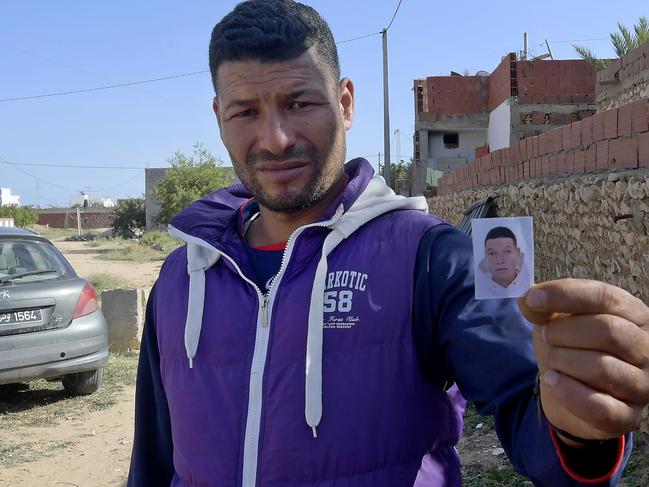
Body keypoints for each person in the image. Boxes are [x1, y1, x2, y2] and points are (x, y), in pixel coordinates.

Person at [127, 1, 649, 486]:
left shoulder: (429, 257)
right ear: (219, 116)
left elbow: (531, 418)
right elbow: (152, 461)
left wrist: (578, 422)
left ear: (345, 102)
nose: (276, 138)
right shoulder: (182, 277)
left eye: (299, 102)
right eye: (246, 112)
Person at [476, 226, 531, 299]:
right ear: (485, 256)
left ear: (517, 253)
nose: (500, 261)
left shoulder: (530, 285)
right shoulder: (476, 289)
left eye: (507, 252)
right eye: (492, 253)